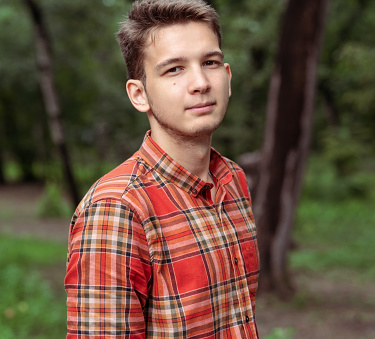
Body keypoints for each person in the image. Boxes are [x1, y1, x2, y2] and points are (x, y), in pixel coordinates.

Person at [64, 0, 260, 337]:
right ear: (139, 95)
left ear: (227, 77)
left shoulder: (232, 180)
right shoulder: (116, 210)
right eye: (174, 69)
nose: (200, 82)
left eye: (209, 62)